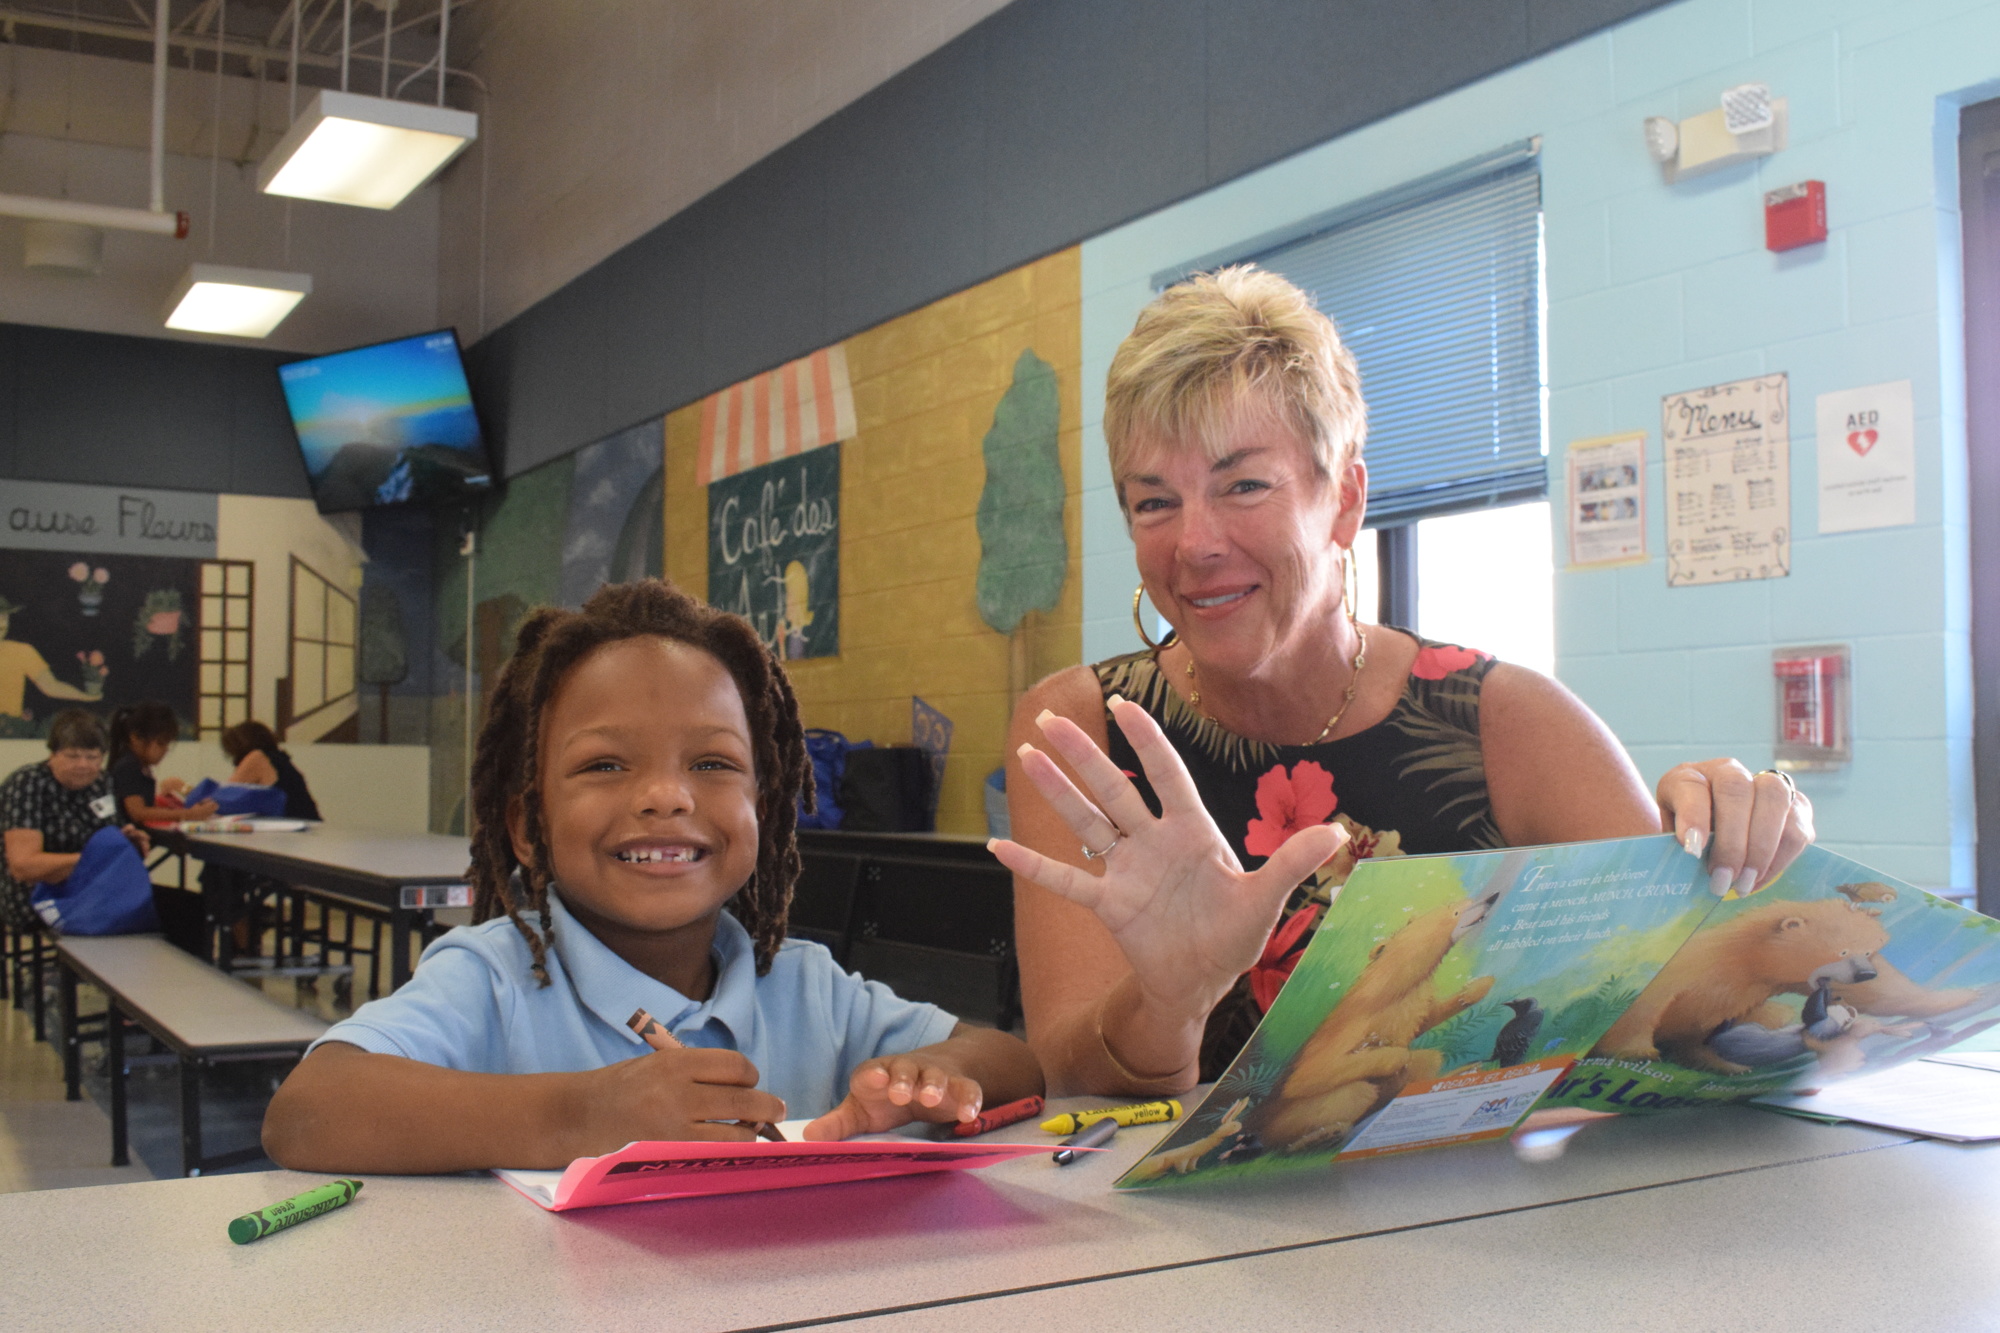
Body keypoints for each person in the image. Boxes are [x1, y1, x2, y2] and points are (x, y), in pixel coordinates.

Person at [990, 267, 1816, 1096]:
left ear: (1344, 499)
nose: (1194, 543)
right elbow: (1069, 1072)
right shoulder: (1077, 732)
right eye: (1153, 502)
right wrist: (1168, 999)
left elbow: (1676, 1012)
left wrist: (1736, 846)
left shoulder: (1505, 721)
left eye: (1243, 485)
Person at [262, 579, 1042, 1172]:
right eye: (605, 764)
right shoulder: (494, 978)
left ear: (763, 811)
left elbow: (1012, 1061)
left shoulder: (803, 987)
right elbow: (308, 1111)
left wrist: (934, 1076)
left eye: (712, 762)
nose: (667, 795)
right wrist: (584, 1113)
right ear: (526, 827)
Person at [0, 708, 205, 954]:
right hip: (43, 897)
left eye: (92, 757)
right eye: (72, 756)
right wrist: (95, 859)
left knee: (191, 909)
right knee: (152, 916)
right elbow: (23, 866)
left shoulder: (101, 782)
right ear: (52, 754)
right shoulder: (27, 783)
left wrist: (129, 839)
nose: (83, 765)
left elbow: (111, 834)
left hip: (95, 888)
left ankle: (171, 988)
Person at [108, 702, 218, 825]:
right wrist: (189, 814)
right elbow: (138, 812)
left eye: (167, 744)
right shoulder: (128, 766)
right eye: (160, 743)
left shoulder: (139, 765)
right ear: (136, 738)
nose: (165, 750)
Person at [217, 720, 321, 821]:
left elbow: (224, 798)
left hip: (293, 828)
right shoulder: (279, 759)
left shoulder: (257, 758)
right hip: (308, 824)